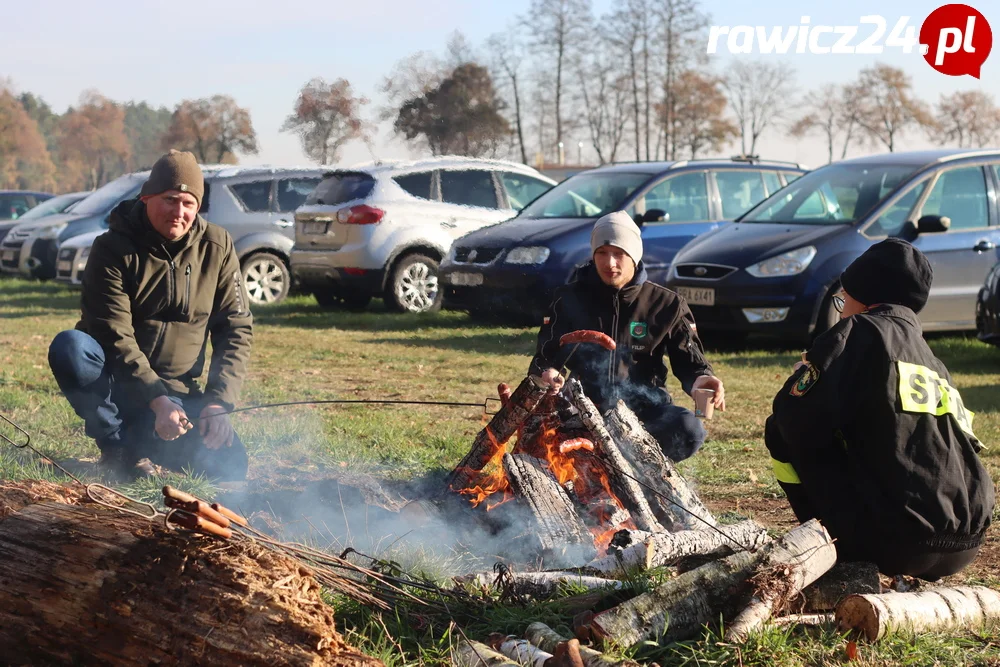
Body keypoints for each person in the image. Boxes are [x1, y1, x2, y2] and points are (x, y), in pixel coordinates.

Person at [766, 238, 994, 579]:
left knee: (778, 428)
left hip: (896, 544)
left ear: (864, 299)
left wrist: (801, 381)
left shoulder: (857, 331)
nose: (842, 309)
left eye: (844, 299)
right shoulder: (933, 363)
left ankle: (823, 542)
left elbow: (794, 419)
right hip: (967, 542)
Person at [47, 150, 253, 481]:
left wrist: (218, 402)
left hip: (179, 396)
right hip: (118, 386)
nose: (179, 212)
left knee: (231, 466)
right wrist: (156, 399)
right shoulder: (111, 248)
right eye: (170, 199)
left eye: (189, 203)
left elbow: (236, 327)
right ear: (146, 198)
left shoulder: (218, 246)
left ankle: (145, 441)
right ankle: (117, 446)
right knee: (71, 346)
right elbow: (113, 333)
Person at [529, 210, 725, 462]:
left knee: (688, 429)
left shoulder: (667, 304)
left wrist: (701, 380)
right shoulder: (567, 298)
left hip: (645, 414)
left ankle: (643, 471)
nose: (610, 263)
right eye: (602, 253)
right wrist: (548, 373)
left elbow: (690, 363)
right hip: (583, 411)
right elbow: (546, 355)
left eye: (619, 253)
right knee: (540, 432)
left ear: (634, 255)